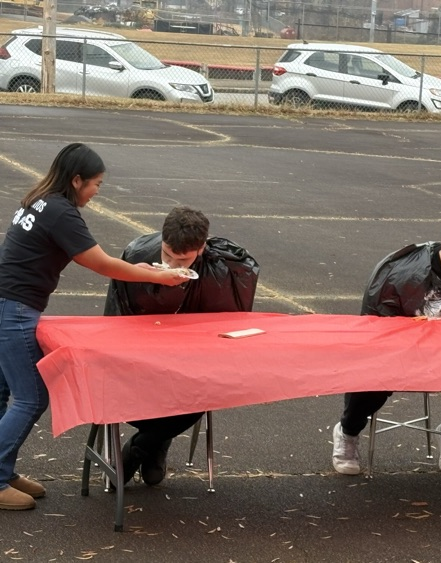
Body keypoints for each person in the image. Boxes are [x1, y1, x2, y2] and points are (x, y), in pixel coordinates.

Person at [0, 143, 187, 511]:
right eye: (96, 184)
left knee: (4, 392)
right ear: (77, 180)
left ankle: (4, 468)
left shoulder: (39, 199)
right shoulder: (60, 211)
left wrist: (147, 270)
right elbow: (100, 264)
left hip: (6, 303)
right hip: (13, 309)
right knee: (32, 396)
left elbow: (105, 261)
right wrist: (161, 279)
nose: (97, 191)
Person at [332, 217, 441, 476]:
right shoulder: (403, 271)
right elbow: (374, 326)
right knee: (372, 374)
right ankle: (348, 431)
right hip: (399, 352)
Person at [104, 206, 260, 487]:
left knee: (205, 386)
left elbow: (229, 323)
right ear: (161, 241)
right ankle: (158, 441)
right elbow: (117, 314)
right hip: (141, 356)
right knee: (140, 383)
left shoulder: (223, 268)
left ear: (200, 249)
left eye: (183, 259)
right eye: (167, 255)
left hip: (193, 364)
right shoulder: (139, 254)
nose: (174, 265)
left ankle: (142, 446)